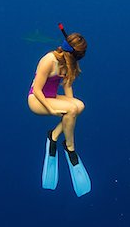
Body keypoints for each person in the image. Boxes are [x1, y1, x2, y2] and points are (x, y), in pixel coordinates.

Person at [27, 23, 91, 197]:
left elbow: (68, 89)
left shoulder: (69, 64)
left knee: (79, 106)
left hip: (51, 98)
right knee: (71, 109)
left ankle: (53, 136)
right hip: (36, 100)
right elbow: (38, 90)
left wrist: (73, 107)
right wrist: (50, 108)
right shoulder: (48, 60)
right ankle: (70, 148)